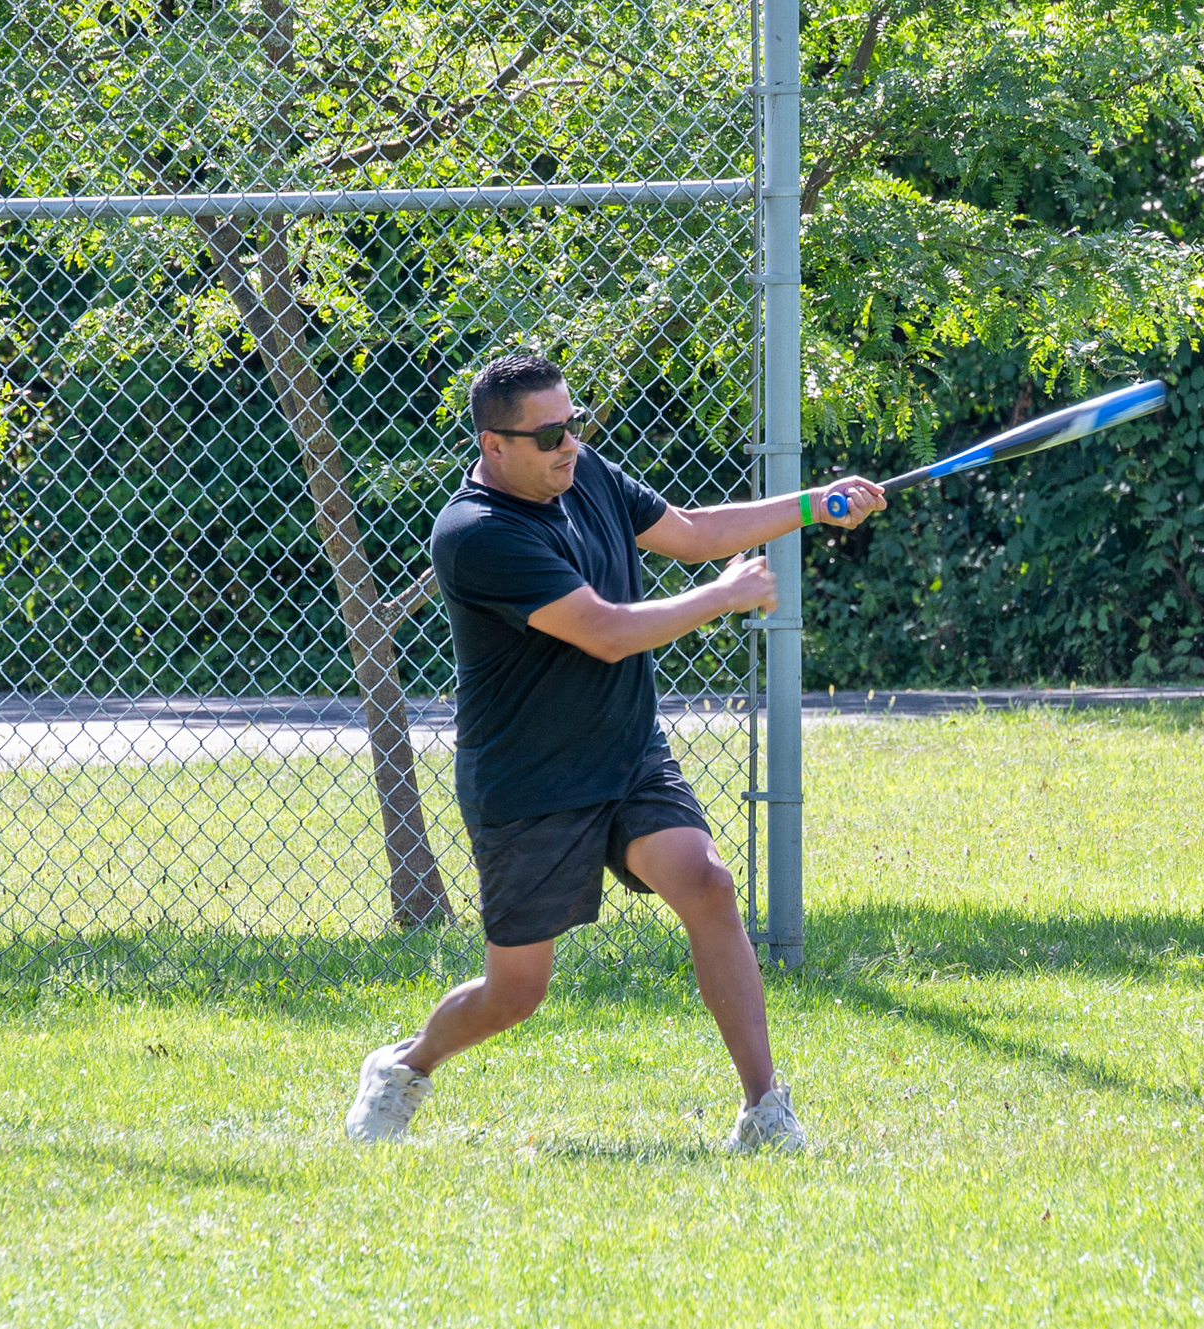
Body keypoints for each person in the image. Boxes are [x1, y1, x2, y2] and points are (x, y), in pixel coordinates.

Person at [340, 353, 887, 1153]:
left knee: (707, 882)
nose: (569, 444)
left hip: (626, 750)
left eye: (573, 424)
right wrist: (724, 597)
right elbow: (604, 631)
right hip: (530, 781)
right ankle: (404, 1066)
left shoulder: (583, 472)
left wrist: (813, 503)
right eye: (549, 434)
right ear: (494, 445)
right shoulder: (475, 534)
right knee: (516, 992)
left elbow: (693, 534)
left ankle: (764, 1109)